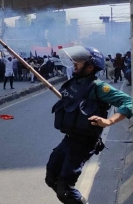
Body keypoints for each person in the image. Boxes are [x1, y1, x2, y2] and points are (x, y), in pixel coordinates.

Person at [46, 46, 132, 204]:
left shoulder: (99, 87)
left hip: (83, 143)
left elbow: (129, 102)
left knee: (65, 190)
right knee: (51, 178)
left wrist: (109, 121)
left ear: (90, 66)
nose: (74, 64)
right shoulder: (75, 83)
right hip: (68, 139)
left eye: (78, 61)